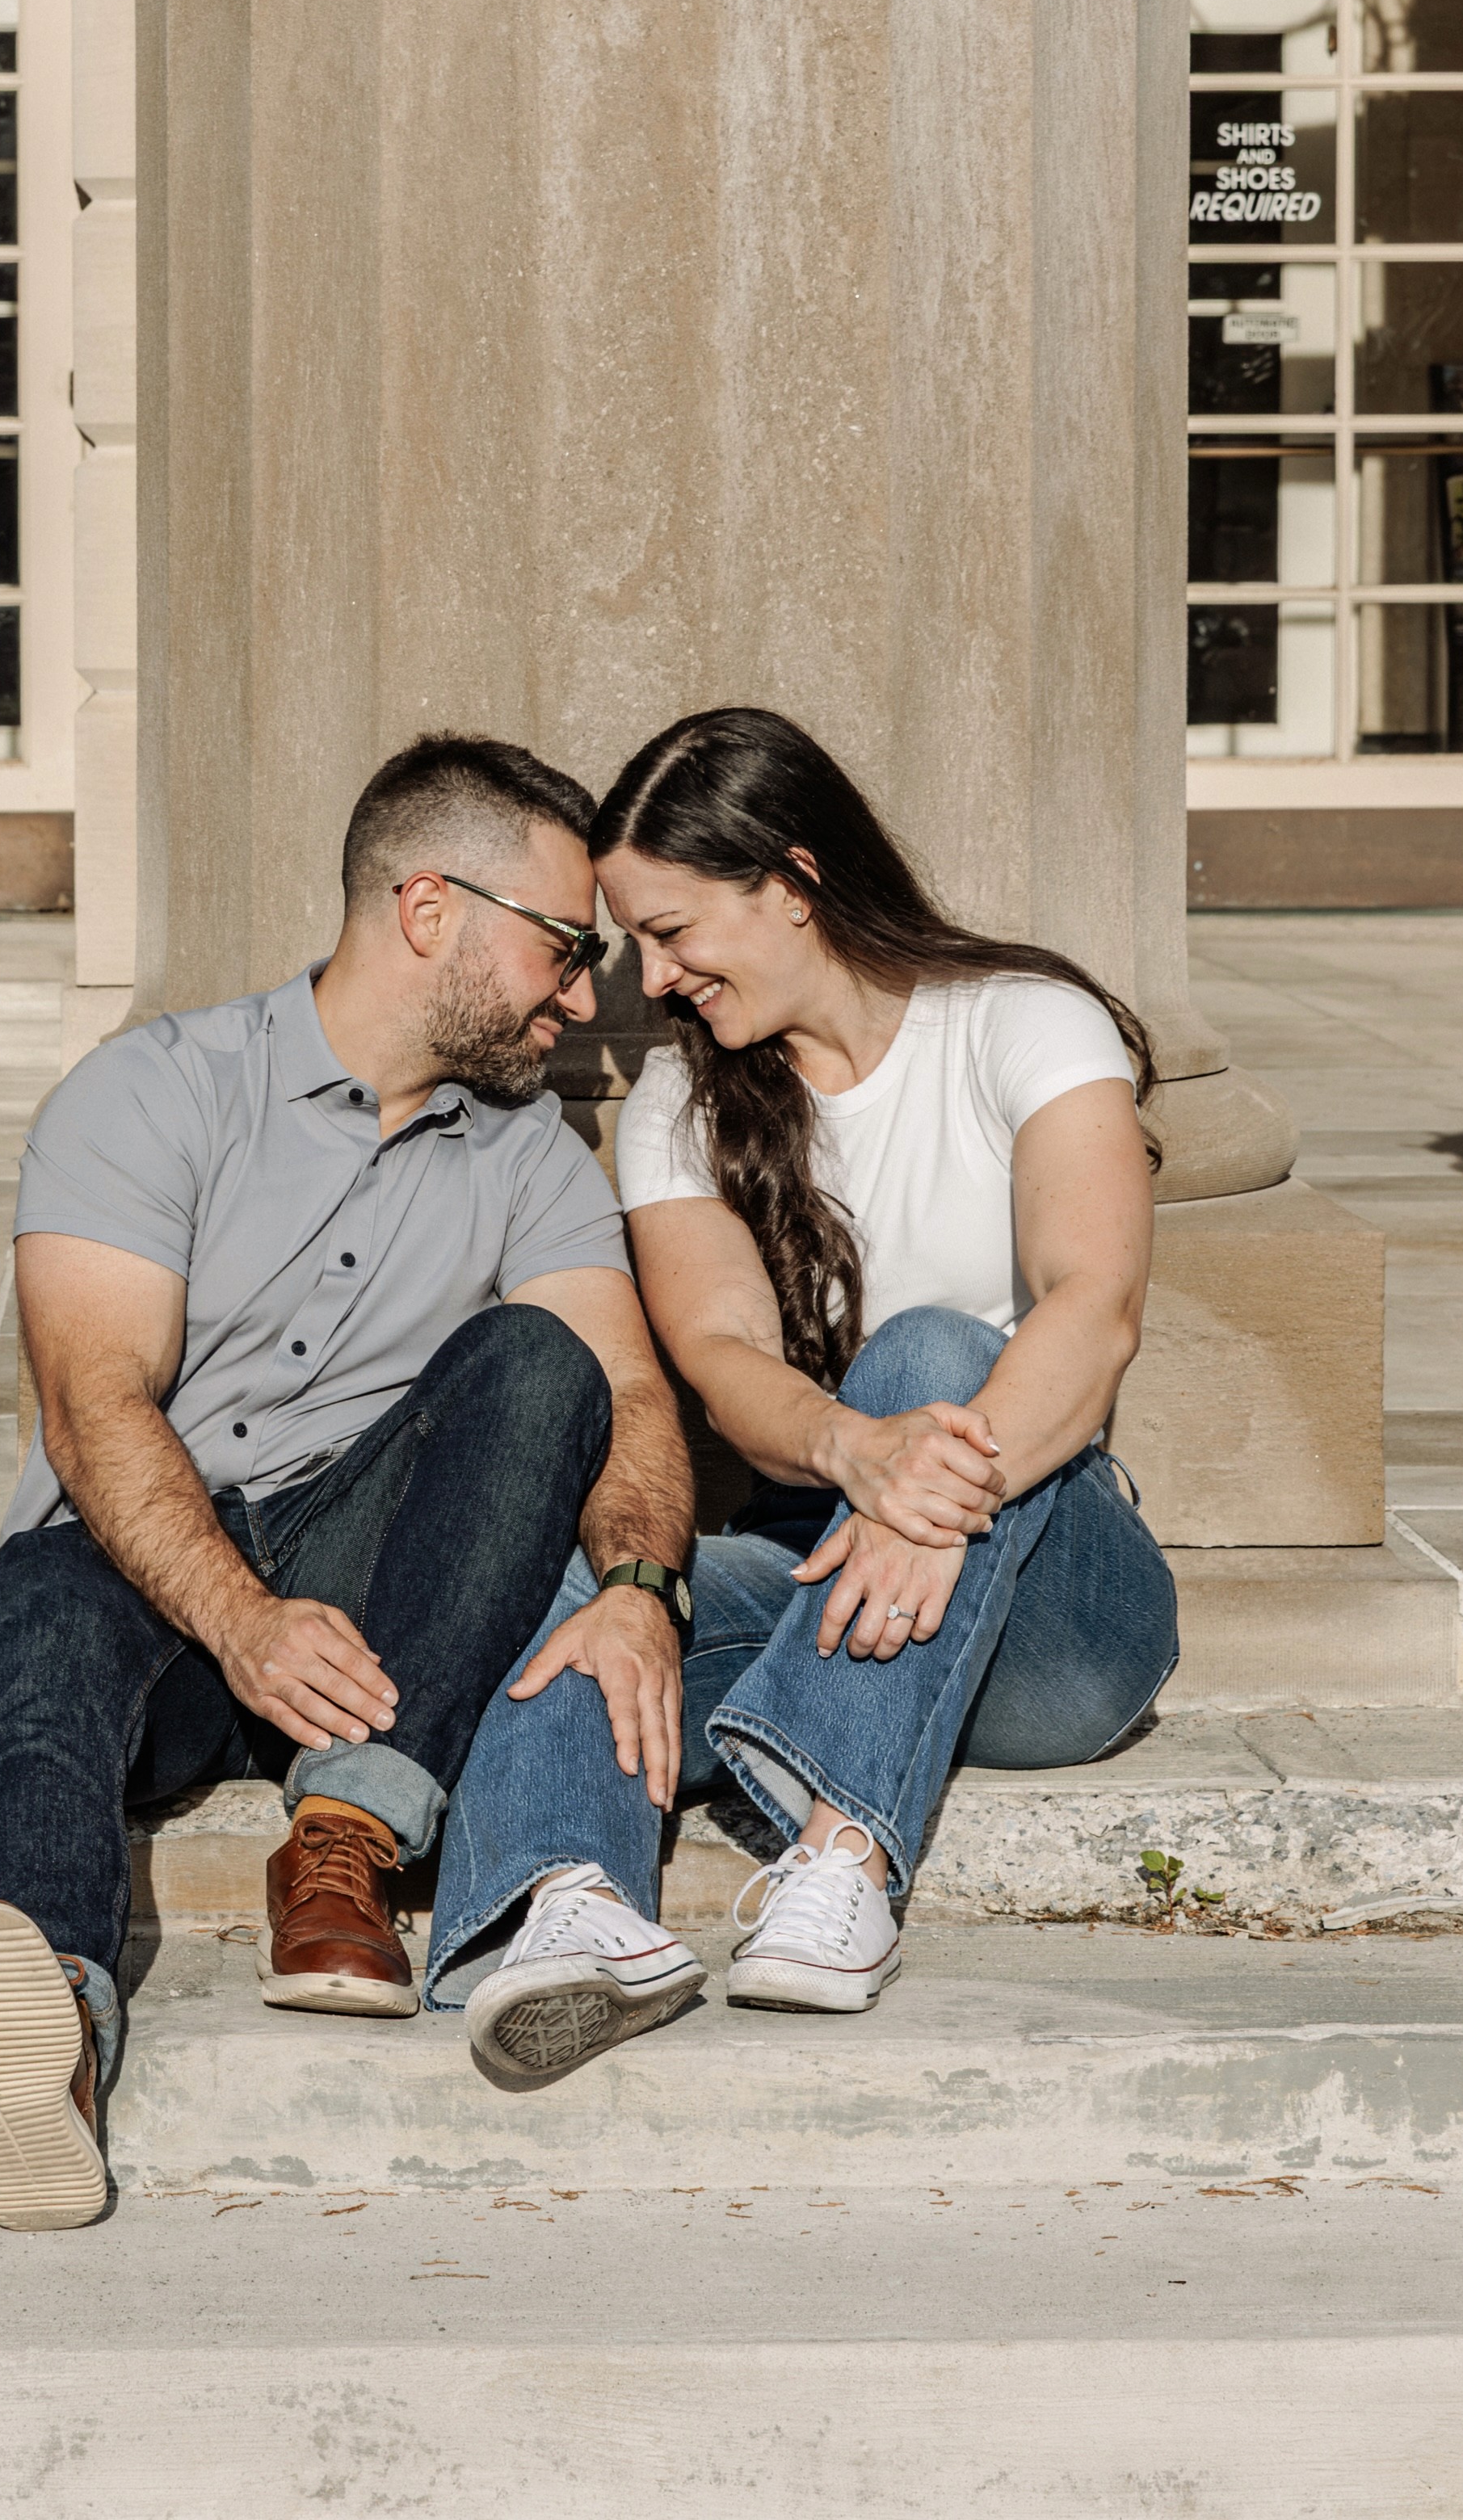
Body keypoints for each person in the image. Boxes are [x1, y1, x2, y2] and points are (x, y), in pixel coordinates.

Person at [0, 733, 699, 2228]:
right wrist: (237, 1618)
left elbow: (636, 1395)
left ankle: (344, 1843)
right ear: (429, 909)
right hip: (144, 1584)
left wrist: (643, 1590)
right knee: (42, 1617)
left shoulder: (532, 1155)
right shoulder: (153, 1092)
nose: (582, 997)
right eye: (563, 946)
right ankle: (50, 2025)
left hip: (371, 1618)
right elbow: (93, 1406)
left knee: (546, 1361)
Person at [427, 705, 1181, 2083]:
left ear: (791, 882)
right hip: (831, 1574)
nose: (654, 979)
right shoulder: (683, 1104)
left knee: (936, 1354)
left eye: (672, 931)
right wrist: (859, 1460)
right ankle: (572, 1907)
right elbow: (721, 1360)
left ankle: (841, 1857)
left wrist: (927, 1492)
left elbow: (1095, 1308)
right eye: (633, 942)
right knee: (598, 1591)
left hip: (1060, 1616)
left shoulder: (1025, 1024)